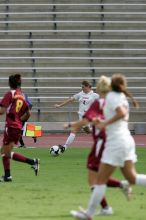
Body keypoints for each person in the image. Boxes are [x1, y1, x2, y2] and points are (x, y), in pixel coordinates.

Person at [69, 73, 146, 220]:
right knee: (132, 177)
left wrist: (105, 123)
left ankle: (89, 214)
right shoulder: (122, 97)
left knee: (99, 180)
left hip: (115, 142)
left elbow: (120, 114)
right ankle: (95, 211)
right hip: (126, 140)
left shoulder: (111, 97)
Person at [0, 74, 40, 182]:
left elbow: (1, 111)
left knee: (5, 152)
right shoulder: (22, 96)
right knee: (4, 151)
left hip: (11, 126)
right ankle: (7, 176)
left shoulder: (10, 94)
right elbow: (28, 113)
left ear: (9, 83)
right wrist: (19, 120)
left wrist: (13, 119)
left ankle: (33, 162)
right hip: (17, 127)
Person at [55, 80, 99, 153]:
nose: (82, 88)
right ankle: (64, 147)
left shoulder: (94, 95)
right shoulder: (80, 94)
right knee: (77, 130)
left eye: (83, 87)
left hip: (87, 118)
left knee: (81, 130)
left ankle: (99, 131)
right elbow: (70, 100)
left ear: (88, 87)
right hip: (81, 116)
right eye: (81, 87)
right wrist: (60, 105)